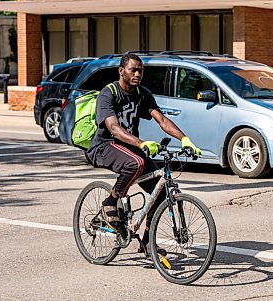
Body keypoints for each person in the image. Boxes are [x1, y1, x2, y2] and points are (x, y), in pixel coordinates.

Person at [85, 53, 201, 254]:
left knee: (161, 193)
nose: (138, 74)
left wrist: (184, 139)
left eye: (141, 70)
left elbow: (162, 120)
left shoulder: (142, 94)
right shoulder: (108, 93)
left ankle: (147, 242)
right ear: (122, 71)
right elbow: (114, 128)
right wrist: (141, 143)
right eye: (133, 70)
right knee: (135, 163)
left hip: (130, 148)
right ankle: (110, 202)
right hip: (105, 146)